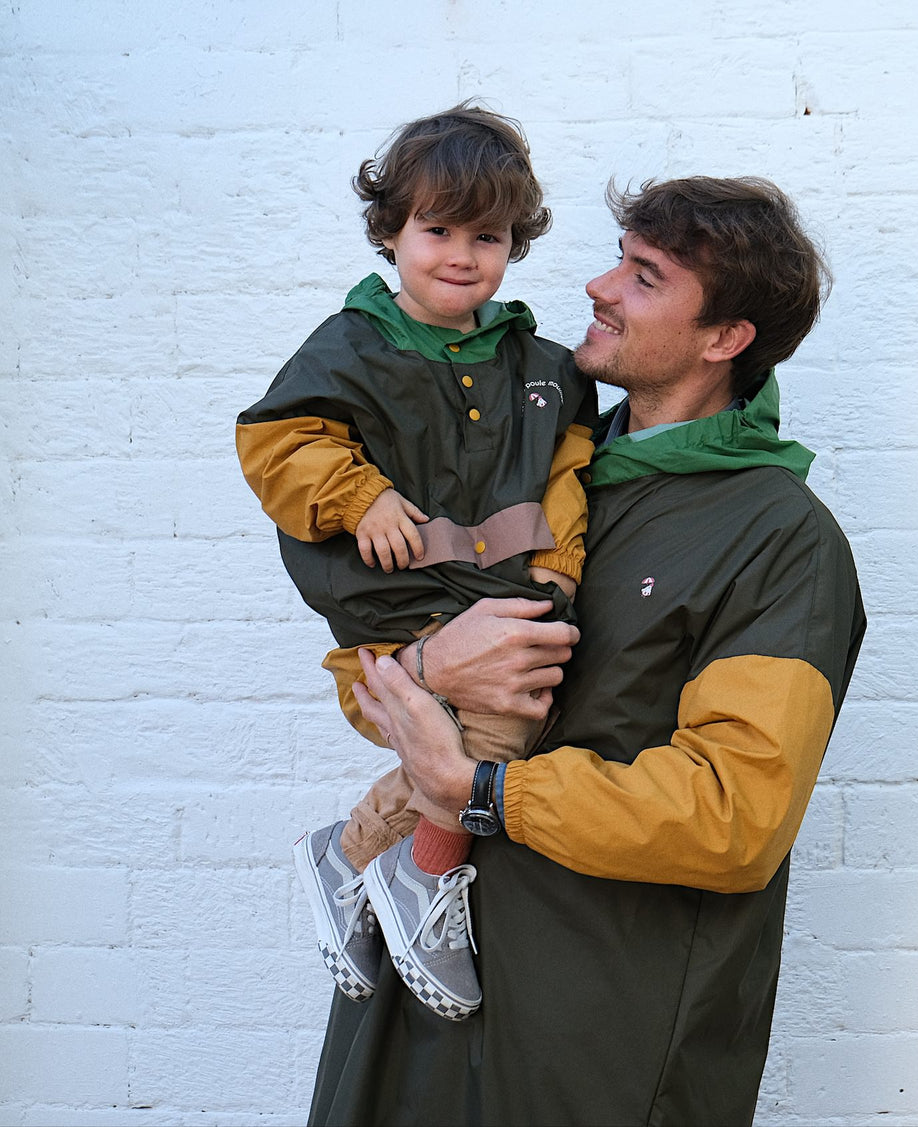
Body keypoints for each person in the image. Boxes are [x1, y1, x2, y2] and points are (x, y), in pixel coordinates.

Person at [306, 176, 867, 1126]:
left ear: (724, 338)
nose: (600, 287)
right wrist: (432, 671)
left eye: (644, 277)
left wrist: (483, 792)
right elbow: (376, 680)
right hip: (411, 1001)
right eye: (619, 259)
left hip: (593, 1040)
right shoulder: (534, 475)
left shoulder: (781, 539)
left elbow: (735, 815)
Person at [235, 104, 597, 1021]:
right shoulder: (350, 346)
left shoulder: (539, 366)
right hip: (394, 606)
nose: (462, 255)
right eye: (438, 230)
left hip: (498, 590)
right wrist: (358, 496)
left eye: (489, 236)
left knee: (520, 714)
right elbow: (277, 443)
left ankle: (354, 854)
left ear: (515, 243)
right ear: (391, 230)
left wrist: (558, 564)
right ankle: (422, 873)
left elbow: (566, 468)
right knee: (501, 723)